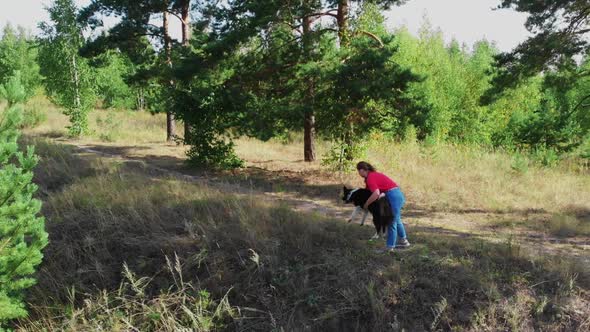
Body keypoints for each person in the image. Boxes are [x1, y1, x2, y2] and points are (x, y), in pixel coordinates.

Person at [356, 161, 410, 252]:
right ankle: (404, 241)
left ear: (362, 170)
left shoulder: (370, 177)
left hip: (393, 196)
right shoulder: (373, 175)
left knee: (391, 221)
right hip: (396, 194)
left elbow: (376, 193)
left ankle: (389, 247)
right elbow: (375, 191)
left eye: (358, 171)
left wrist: (366, 204)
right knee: (397, 220)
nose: (358, 173)